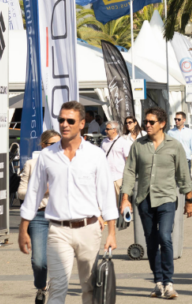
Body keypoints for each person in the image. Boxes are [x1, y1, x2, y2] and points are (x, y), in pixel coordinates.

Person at [19, 101, 118, 304]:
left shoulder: (95, 155)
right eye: (61, 120)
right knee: (57, 288)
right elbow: (34, 194)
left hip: (89, 228)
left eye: (70, 121)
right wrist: (23, 228)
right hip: (58, 230)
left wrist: (112, 233)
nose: (64, 124)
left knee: (90, 288)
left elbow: (107, 194)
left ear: (82, 123)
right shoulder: (46, 156)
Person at [120, 107, 192, 299]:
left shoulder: (174, 145)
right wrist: (125, 198)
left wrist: (189, 200)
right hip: (144, 199)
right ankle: (158, 281)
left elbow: (183, 174)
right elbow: (129, 172)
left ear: (162, 124)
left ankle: (169, 282)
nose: (147, 125)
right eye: (146, 122)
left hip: (167, 198)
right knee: (151, 241)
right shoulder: (138, 145)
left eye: (151, 122)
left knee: (165, 237)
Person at [17, 130, 60, 303]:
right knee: (39, 261)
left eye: (59, 143)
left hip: (60, 217)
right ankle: (41, 286)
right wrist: (42, 190)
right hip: (39, 216)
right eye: (52, 144)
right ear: (43, 145)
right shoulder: (31, 164)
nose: (57, 147)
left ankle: (57, 294)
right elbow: (21, 193)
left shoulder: (66, 163)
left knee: (60, 258)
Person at [101, 121, 132, 193]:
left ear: (114, 130)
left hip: (119, 177)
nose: (105, 131)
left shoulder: (123, 142)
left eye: (107, 129)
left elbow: (128, 160)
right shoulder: (104, 142)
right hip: (106, 177)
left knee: (119, 202)